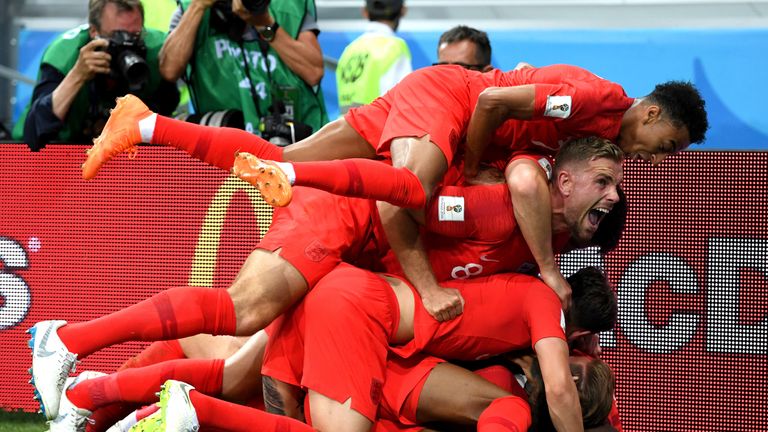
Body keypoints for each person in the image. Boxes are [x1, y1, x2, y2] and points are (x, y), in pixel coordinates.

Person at [29, 137, 622, 423]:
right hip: (344, 247)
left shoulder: (518, 265)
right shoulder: (503, 224)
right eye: (602, 190)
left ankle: (94, 398)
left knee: (238, 368)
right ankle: (76, 347)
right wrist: (291, 168)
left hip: (355, 284)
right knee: (238, 327)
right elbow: (400, 199)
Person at [80, 62, 707, 323]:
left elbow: (521, 166)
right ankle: (298, 183)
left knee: (270, 158)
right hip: (449, 101)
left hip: (434, 110)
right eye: (669, 145)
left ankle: (143, 123)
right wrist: (463, 167)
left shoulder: (598, 138)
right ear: (652, 116)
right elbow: (490, 99)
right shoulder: (597, 98)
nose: (659, 160)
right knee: (408, 188)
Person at [11, 0, 179, 151]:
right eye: (117, 37)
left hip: (129, 159)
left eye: (135, 36)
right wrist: (77, 75)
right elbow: (34, 132)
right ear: (94, 32)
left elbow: (167, 107)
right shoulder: (65, 54)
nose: (128, 46)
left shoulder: (157, 50)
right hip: (63, 157)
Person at [158, 0, 327, 141]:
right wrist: (198, 7)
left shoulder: (288, 6)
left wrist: (265, 24)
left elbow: (313, 72)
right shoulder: (192, 9)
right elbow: (169, 70)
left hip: (294, 143)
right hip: (228, 148)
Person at [336, 0, 411, 115]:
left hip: (344, 128)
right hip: (377, 129)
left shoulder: (349, 50)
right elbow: (403, 101)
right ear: (403, 11)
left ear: (364, 12)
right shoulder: (396, 47)